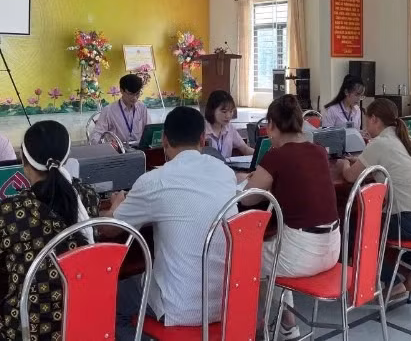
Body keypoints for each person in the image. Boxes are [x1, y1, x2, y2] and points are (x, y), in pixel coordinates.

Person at [0, 120, 100, 340]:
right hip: (80, 327)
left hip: (27, 333)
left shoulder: (9, 211)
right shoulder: (88, 197)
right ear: (66, 159)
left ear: (23, 161)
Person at [106, 106, 236, 339]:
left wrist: (116, 206)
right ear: (202, 139)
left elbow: (111, 229)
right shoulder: (224, 172)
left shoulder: (154, 181)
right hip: (230, 301)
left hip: (179, 310)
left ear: (164, 141)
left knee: (112, 299)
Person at [245, 95, 340, 341]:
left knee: (245, 258)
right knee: (274, 252)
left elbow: (248, 199)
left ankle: (252, 328)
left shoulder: (277, 156)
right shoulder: (319, 151)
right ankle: (288, 322)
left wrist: (250, 179)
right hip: (332, 249)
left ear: (273, 126)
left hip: (302, 254)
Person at [338, 98, 411, 295]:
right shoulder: (407, 140)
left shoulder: (379, 144)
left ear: (375, 119)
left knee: (355, 227)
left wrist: (344, 164)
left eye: (367, 120)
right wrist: (361, 160)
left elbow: (351, 176)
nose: (366, 126)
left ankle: (392, 282)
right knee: (389, 219)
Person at [90, 74, 150, 145]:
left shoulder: (142, 107)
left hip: (139, 149)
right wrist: (102, 147)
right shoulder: (109, 110)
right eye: (130, 94)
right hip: (118, 151)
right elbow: (96, 134)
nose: (134, 98)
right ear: (121, 91)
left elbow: (149, 130)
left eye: (137, 94)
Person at [204, 90, 254, 159]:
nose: (228, 116)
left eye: (231, 111)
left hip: (227, 168)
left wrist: (261, 155)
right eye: (224, 112)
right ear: (212, 110)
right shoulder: (202, 130)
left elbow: (245, 148)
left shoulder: (230, 128)